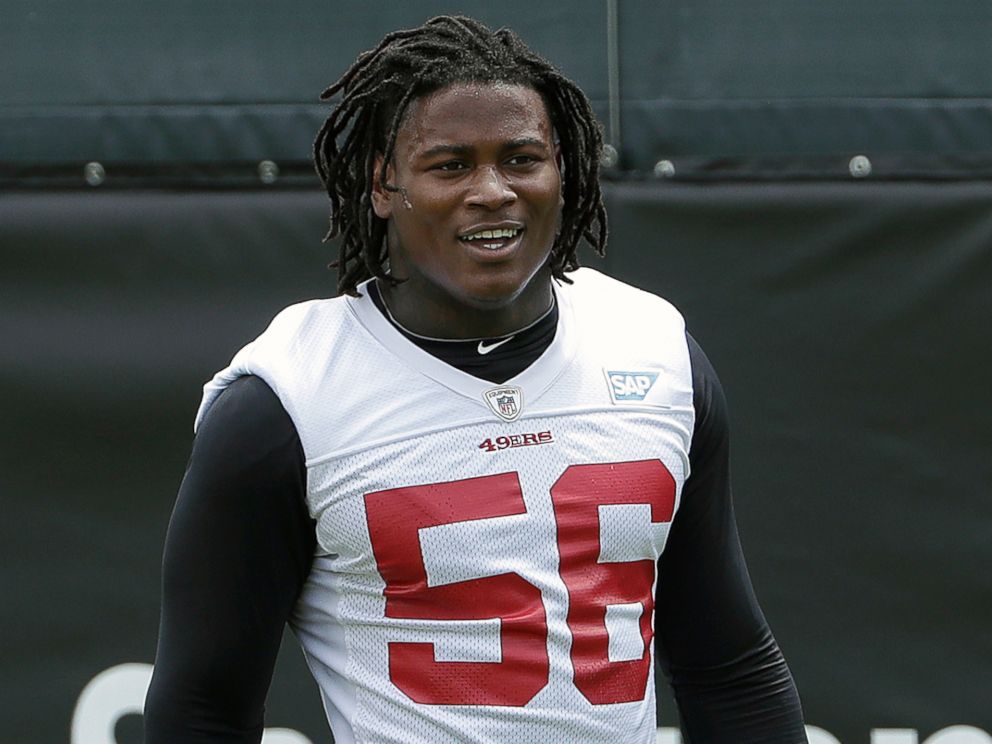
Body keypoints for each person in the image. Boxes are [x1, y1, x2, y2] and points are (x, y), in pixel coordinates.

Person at [145, 15, 807, 744]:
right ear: (383, 185)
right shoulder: (287, 397)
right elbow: (202, 710)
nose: (492, 191)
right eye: (451, 165)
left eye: (521, 158)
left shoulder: (654, 349)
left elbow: (730, 667)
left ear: (566, 169)